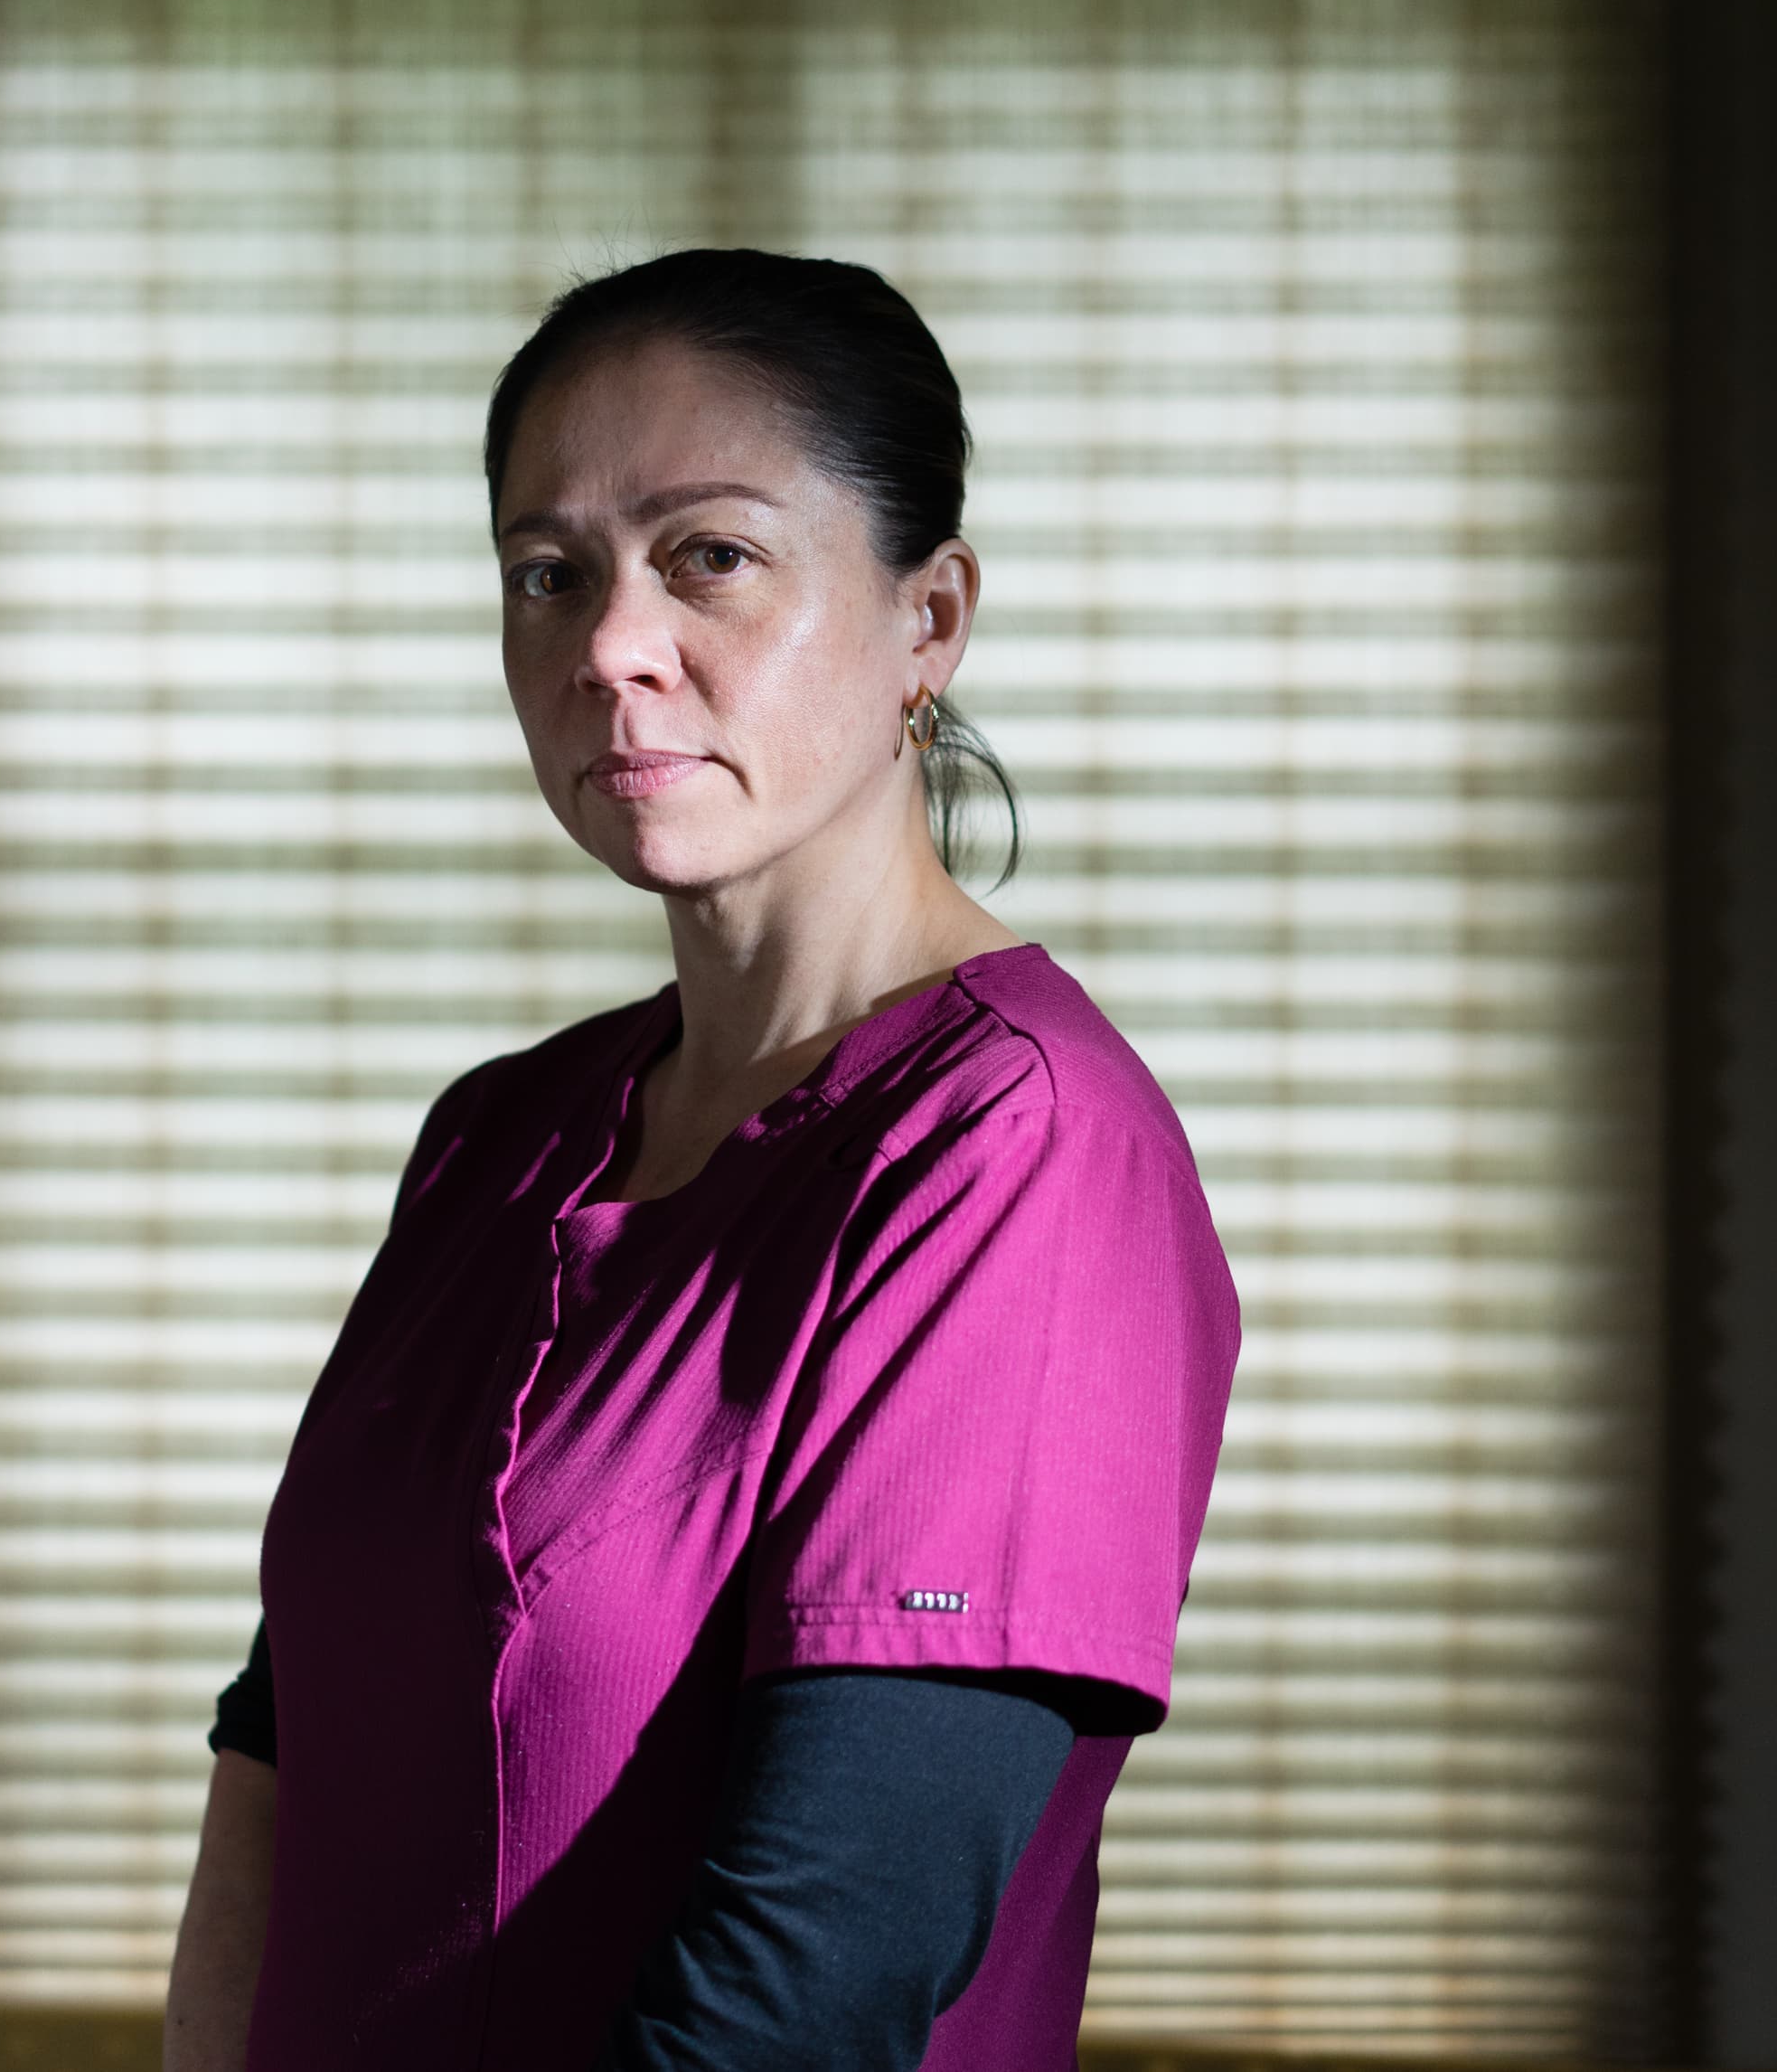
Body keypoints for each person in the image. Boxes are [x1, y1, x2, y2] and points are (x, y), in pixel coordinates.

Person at [160, 250, 1240, 2072]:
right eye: (547, 571)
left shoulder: (1019, 1147)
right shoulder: (497, 1137)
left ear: (932, 619)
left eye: (711, 556)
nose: (608, 646)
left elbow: (813, 1986)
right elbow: (285, 1755)